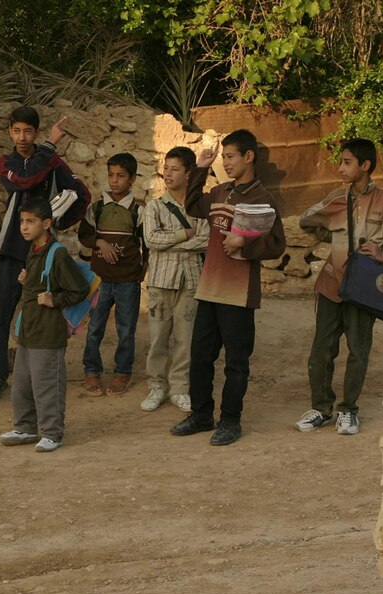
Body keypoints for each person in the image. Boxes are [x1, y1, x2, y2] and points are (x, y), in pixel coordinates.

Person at [171, 130, 285, 446]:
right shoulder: (220, 191)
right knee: (200, 356)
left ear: (249, 156)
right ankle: (201, 415)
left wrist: (245, 243)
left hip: (238, 293)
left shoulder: (263, 198)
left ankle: (230, 420)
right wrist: (201, 168)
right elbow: (193, 204)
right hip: (209, 289)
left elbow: (277, 244)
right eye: (224, 157)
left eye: (230, 156)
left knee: (236, 361)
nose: (227, 162)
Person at [294, 138, 383, 435]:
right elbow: (307, 222)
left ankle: (348, 410)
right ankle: (320, 408)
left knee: (358, 351)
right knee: (321, 351)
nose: (340, 168)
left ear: (365, 166)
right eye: (340, 162)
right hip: (331, 283)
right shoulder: (336, 198)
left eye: (347, 162)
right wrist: (336, 237)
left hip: (364, 289)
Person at [0, 105, 79, 403]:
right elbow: (25, 178)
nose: (22, 137)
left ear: (35, 132)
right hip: (13, 250)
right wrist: (50, 146)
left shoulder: (52, 161)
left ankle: (39, 378)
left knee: (42, 314)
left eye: (28, 131)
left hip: (44, 252)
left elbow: (80, 192)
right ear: (9, 132)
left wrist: (60, 218)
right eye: (16, 131)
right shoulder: (7, 163)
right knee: (3, 317)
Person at [0, 197, 89, 452]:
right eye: (22, 221)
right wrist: (27, 280)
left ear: (47, 223)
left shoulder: (57, 253)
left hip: (48, 332)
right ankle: (25, 427)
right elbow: (43, 281)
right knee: (22, 385)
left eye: (31, 221)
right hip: (29, 329)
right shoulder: (35, 249)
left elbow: (79, 289)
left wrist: (54, 299)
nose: (24, 227)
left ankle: (52, 432)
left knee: (47, 385)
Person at [141, 146, 210, 412]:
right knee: (158, 338)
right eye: (165, 168)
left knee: (186, 339)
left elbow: (206, 240)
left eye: (174, 169)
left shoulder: (200, 206)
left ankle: (180, 388)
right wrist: (184, 236)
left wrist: (173, 243)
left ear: (188, 174)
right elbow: (151, 240)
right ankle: (156, 386)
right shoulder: (154, 206)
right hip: (161, 282)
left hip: (191, 280)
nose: (167, 173)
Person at [78, 152, 146, 396]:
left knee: (126, 328)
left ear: (132, 179)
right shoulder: (96, 208)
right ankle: (91, 370)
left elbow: (146, 244)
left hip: (128, 280)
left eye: (121, 176)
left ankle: (123, 372)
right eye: (111, 175)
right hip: (100, 279)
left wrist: (141, 273)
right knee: (94, 326)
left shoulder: (138, 211)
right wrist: (100, 243)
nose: (114, 180)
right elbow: (83, 234)